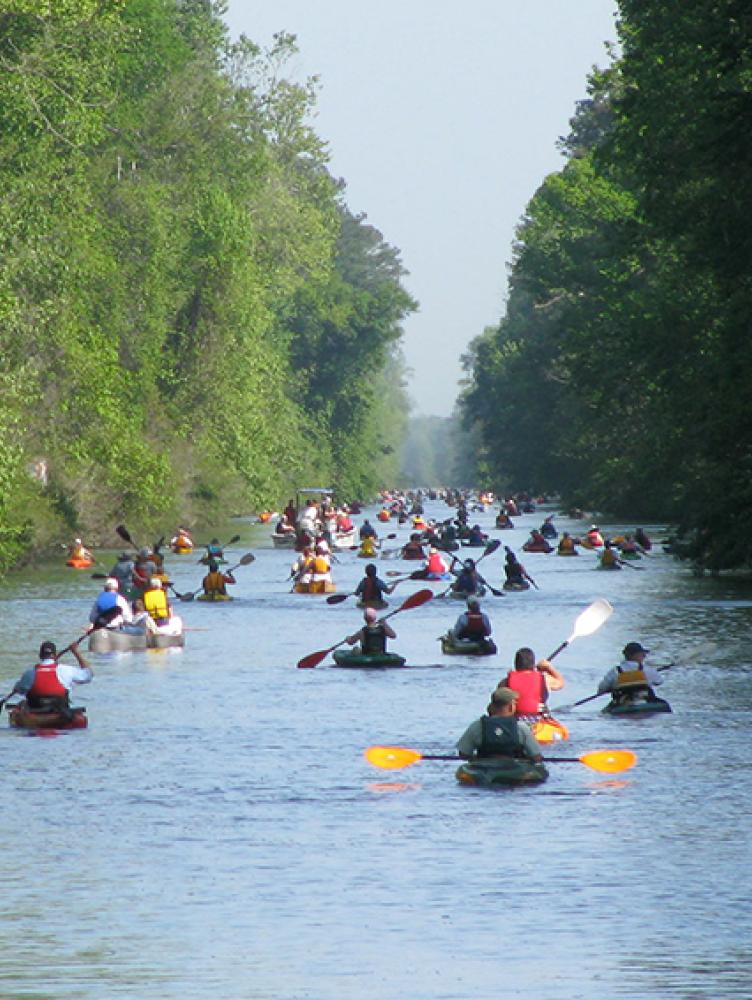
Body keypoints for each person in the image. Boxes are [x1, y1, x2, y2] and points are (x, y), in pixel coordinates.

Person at [456, 688, 544, 762]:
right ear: (511, 706)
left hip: (484, 769)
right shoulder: (521, 727)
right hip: (514, 770)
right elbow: (536, 757)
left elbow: (463, 754)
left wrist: (475, 759)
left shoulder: (477, 725)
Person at [11, 640, 93, 713]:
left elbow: (18, 690)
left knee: (22, 703)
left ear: (40, 655)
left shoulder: (29, 673)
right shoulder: (66, 670)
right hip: (60, 711)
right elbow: (88, 675)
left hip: (36, 710)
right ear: (54, 655)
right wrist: (76, 652)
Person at [501, 647, 565, 718]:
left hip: (514, 720)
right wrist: (548, 667)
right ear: (533, 664)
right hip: (539, 721)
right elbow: (560, 683)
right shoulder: (544, 679)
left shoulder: (505, 682)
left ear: (516, 664)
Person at [597, 642, 663, 706]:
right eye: (642, 654)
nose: (644, 656)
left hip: (621, 704)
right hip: (645, 702)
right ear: (635, 655)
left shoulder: (615, 671)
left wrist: (611, 688)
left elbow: (601, 689)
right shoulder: (647, 669)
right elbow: (659, 681)